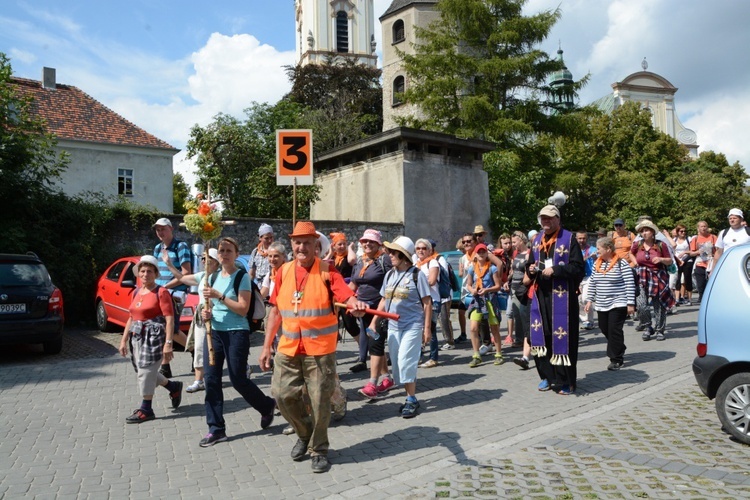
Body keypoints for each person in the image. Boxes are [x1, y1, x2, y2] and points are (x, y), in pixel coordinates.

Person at [260, 221, 366, 473]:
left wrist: (354, 303)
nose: (301, 247)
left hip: (319, 351)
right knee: (282, 395)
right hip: (288, 348)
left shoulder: (328, 271)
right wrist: (266, 346)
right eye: (297, 242)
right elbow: (275, 311)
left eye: (307, 242)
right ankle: (304, 432)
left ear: (316, 246)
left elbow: (344, 294)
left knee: (319, 403)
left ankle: (319, 449)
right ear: (292, 244)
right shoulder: (283, 272)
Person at [198, 237, 276, 447]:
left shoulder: (241, 276)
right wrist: (208, 313)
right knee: (211, 380)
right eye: (221, 250)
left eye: (228, 250)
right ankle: (216, 429)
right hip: (213, 332)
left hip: (236, 333)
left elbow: (242, 308)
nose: (224, 254)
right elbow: (212, 306)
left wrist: (220, 296)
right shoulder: (212, 276)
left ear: (236, 253)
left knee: (238, 379)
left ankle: (266, 405)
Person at [524, 205, 584, 395]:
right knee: (541, 337)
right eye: (543, 219)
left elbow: (578, 268)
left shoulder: (569, 239)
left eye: (549, 218)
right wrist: (531, 269)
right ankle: (547, 377)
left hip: (563, 299)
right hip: (540, 296)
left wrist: (557, 270)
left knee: (564, 338)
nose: (546, 222)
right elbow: (528, 265)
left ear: (558, 219)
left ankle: (567, 381)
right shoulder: (536, 240)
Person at [118, 255, 183, 423]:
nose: (145, 274)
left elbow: (169, 319)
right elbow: (131, 317)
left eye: (149, 271)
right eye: (142, 271)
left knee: (146, 372)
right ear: (138, 274)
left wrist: (168, 344)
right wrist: (123, 340)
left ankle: (146, 409)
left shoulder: (161, 292)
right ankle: (173, 387)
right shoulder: (136, 292)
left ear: (155, 273)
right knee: (144, 371)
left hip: (154, 339)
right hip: (137, 338)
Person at [373, 236, 432, 418]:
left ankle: (411, 399)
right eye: (389, 252)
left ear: (403, 255)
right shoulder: (390, 275)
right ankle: (410, 397)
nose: (389, 255)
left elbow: (427, 302)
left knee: (407, 361)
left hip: (412, 326)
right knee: (398, 365)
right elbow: (384, 299)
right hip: (393, 327)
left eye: (393, 252)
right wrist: (374, 321)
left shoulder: (417, 275)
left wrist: (427, 328)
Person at [583, 237, 636, 371]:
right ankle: (619, 346)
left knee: (614, 330)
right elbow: (593, 283)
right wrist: (589, 300)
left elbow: (630, 283)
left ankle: (616, 359)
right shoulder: (597, 264)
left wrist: (630, 304)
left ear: (608, 249)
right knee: (604, 328)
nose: (597, 251)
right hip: (601, 303)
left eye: (599, 248)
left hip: (618, 302)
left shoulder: (621, 263)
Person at [347, 229, 392, 379]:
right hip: (363, 309)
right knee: (375, 344)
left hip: (380, 309)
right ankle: (386, 377)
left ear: (378, 244)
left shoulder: (384, 260)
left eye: (371, 241)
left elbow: (393, 282)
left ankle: (374, 382)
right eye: (364, 241)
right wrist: (339, 297)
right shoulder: (360, 261)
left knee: (375, 343)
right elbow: (353, 284)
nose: (367, 244)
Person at [176, 248, 220, 393]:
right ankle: (199, 380)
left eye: (206, 258)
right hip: (202, 317)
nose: (203, 261)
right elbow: (182, 278)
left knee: (222, 348)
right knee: (200, 348)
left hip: (218, 317)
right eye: (202, 258)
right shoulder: (202, 276)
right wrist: (169, 264)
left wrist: (213, 310)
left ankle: (242, 367)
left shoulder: (221, 277)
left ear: (215, 261)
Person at [152, 217, 192, 378]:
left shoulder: (180, 246)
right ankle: (165, 365)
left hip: (174, 294)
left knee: (173, 330)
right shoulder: (157, 248)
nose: (160, 232)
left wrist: (165, 287)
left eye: (163, 229)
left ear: (171, 229)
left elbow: (186, 273)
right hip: (160, 294)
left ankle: (195, 351)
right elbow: (155, 271)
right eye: (158, 229)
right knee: (162, 329)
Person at [629, 220, 675, 341]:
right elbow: (631, 253)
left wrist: (660, 259)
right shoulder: (638, 244)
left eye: (646, 230)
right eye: (642, 231)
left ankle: (660, 330)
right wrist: (635, 263)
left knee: (658, 305)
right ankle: (648, 326)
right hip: (642, 275)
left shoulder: (660, 245)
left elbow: (669, 260)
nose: (644, 233)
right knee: (641, 304)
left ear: (653, 232)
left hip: (657, 276)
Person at [465, 243, 504, 367]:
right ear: (475, 254)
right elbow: (468, 284)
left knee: (494, 328)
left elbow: (498, 286)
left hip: (490, 301)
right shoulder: (472, 269)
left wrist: (487, 290)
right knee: (473, 328)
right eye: (479, 252)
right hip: (477, 301)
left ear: (487, 253)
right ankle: (476, 355)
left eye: (483, 252)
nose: (481, 254)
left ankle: (498, 354)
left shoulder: (492, 268)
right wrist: (472, 291)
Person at [413, 239, 442, 368]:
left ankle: (433, 357)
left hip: (433, 301)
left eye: (424, 248)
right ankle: (419, 356)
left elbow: (432, 281)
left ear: (429, 250)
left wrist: (415, 284)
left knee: (431, 329)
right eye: (418, 248)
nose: (421, 250)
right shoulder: (416, 264)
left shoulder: (433, 262)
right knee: (420, 329)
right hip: (419, 301)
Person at [508, 231, 533, 370]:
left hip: (525, 291)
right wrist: (508, 280)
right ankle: (525, 354)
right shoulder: (516, 254)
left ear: (522, 241)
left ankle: (527, 353)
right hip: (514, 289)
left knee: (525, 321)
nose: (513, 245)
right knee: (517, 316)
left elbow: (529, 274)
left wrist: (525, 283)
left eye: (514, 242)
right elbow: (514, 270)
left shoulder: (529, 254)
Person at [664, 224, 694, 306]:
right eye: (681, 231)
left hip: (687, 260)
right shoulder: (674, 239)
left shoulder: (689, 239)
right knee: (677, 279)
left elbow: (692, 251)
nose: (683, 233)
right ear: (677, 232)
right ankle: (677, 299)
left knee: (687, 279)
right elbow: (672, 251)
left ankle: (689, 299)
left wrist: (685, 252)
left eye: (684, 231)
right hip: (677, 261)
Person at [688, 221, 717, 301]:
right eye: (701, 226)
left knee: (710, 281)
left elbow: (718, 250)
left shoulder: (713, 237)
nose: (703, 228)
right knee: (700, 282)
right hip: (700, 262)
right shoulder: (695, 239)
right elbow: (691, 253)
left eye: (705, 226)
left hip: (711, 262)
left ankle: (710, 297)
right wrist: (698, 252)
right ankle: (701, 296)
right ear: (698, 228)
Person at [577, 230, 597, 330]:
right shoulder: (574, 250)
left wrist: (595, 258)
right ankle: (585, 320)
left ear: (587, 238)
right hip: (577, 277)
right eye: (580, 238)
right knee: (580, 299)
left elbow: (600, 259)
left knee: (586, 298)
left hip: (589, 276)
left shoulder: (592, 249)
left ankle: (589, 320)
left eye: (583, 238)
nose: (582, 240)